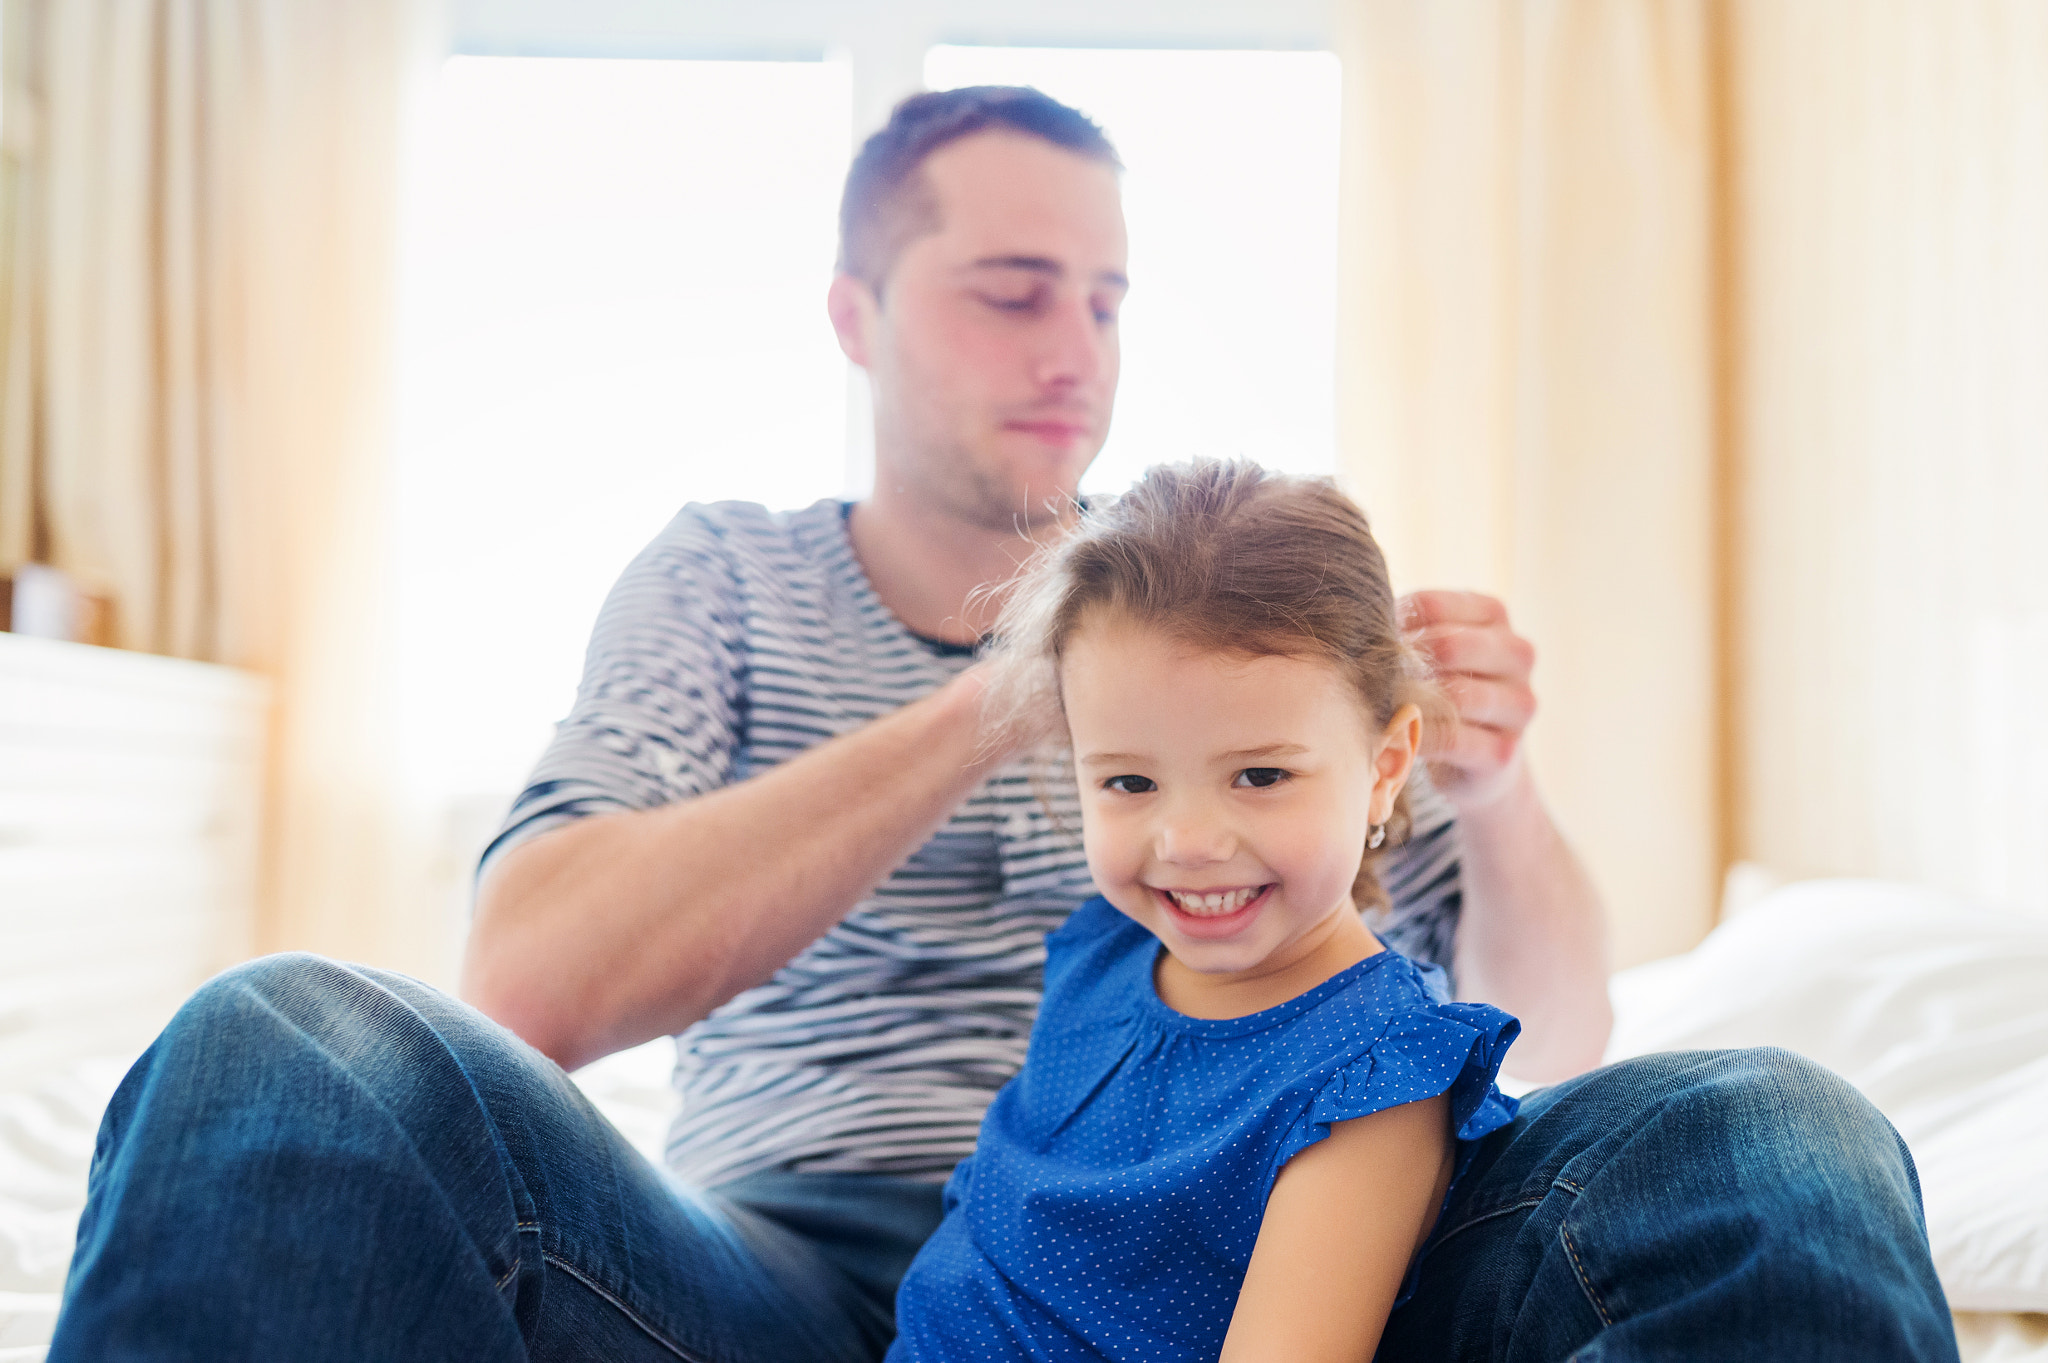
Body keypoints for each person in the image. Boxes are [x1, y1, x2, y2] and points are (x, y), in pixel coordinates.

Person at [47, 87, 1957, 1363]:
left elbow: (1541, 1035)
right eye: (1012, 290)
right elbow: (528, 976)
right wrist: (1003, 696)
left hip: (1284, 1265)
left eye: (1110, 298)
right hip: (799, 1271)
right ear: (857, 316)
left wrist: (1493, 786)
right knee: (282, 1042)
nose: (1076, 350)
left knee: (1761, 1127)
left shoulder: (1246, 650)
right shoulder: (721, 580)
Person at [886, 459, 1524, 1362]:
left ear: (1385, 768)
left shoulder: (1375, 1075)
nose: (1186, 840)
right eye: (1129, 781)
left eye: (1261, 775)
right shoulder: (1103, 946)